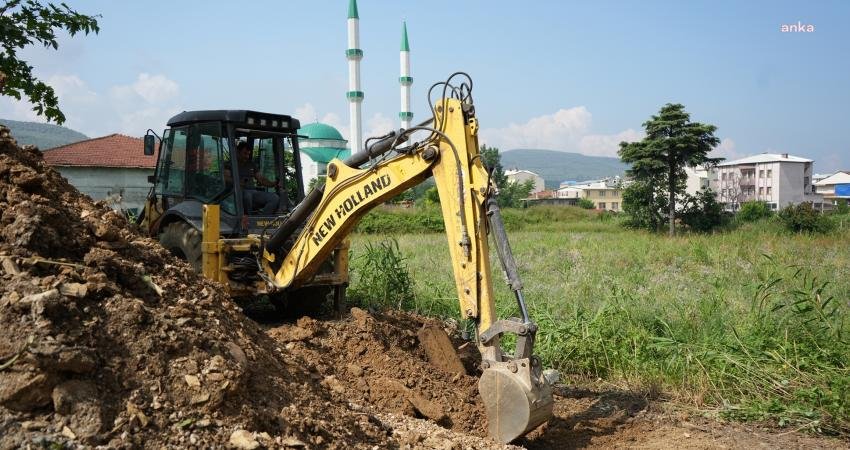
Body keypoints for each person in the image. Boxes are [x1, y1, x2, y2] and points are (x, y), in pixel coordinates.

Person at [232, 141, 279, 215]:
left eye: (248, 154)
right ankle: (248, 218)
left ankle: (263, 219)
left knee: (274, 198)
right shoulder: (230, 164)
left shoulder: (251, 164)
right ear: (237, 152)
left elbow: (261, 179)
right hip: (235, 193)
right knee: (247, 195)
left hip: (253, 193)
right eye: (245, 153)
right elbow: (225, 178)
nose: (247, 156)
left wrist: (274, 184)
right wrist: (237, 182)